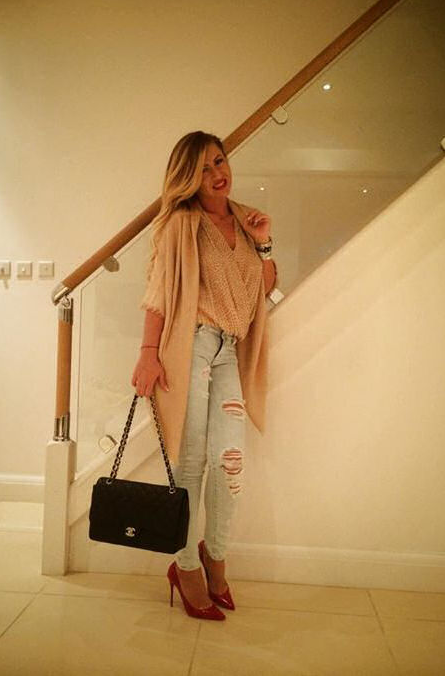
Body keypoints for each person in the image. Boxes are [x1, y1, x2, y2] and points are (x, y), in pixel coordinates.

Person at [132, 131, 278, 620]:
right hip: (191, 346)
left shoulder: (245, 218)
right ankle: (187, 566)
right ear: (188, 179)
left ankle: (216, 555)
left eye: (220, 161)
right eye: (204, 169)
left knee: (229, 460)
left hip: (229, 350)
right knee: (191, 461)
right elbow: (159, 291)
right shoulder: (182, 224)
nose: (218, 174)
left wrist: (263, 242)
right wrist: (148, 353)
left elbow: (263, 287)